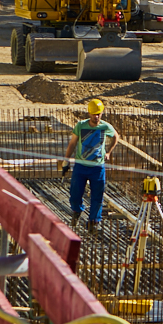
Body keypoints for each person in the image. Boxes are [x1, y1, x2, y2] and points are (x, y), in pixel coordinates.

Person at [62, 98, 119, 230]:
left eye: (98, 114)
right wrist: (66, 161)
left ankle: (94, 221)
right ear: (89, 113)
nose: (96, 116)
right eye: (94, 114)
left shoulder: (105, 127)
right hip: (81, 166)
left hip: (97, 168)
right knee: (75, 194)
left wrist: (108, 152)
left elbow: (116, 137)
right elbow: (72, 144)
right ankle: (77, 210)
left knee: (97, 196)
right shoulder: (81, 126)